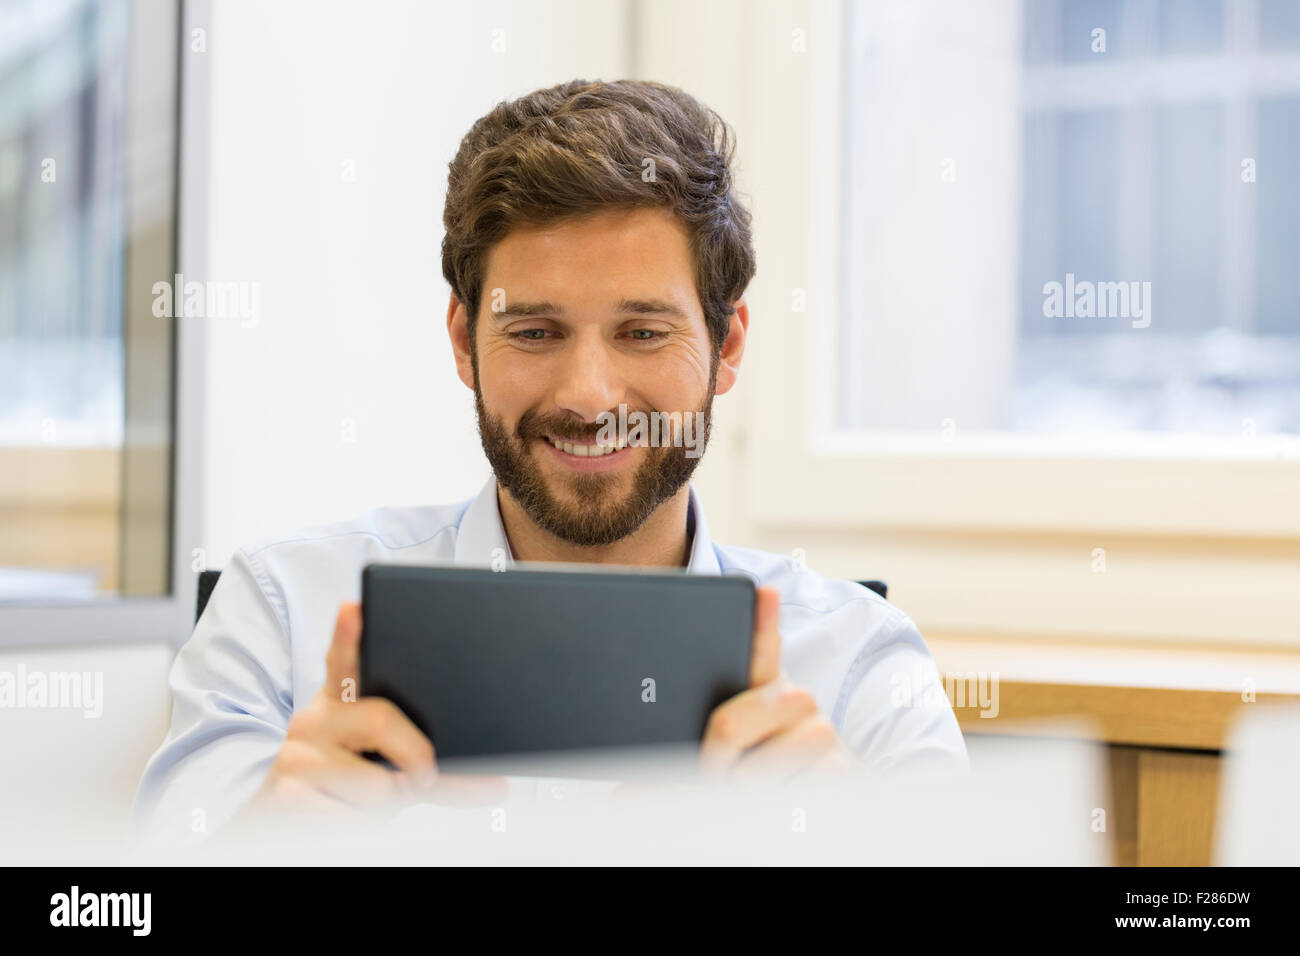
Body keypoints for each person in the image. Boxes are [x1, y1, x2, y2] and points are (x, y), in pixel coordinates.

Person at [132, 79, 966, 845]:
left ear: (728, 345)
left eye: (643, 332)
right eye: (535, 332)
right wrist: (264, 839)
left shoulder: (861, 669)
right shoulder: (279, 616)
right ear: (466, 342)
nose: (590, 397)